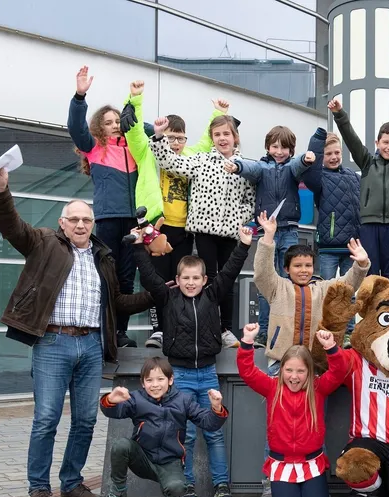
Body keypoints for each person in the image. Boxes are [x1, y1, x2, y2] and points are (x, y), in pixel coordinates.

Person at [0, 168, 152, 497]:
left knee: (85, 420)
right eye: (74, 219)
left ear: (93, 224)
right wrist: (1, 192)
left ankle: (72, 483)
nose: (81, 225)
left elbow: (118, 302)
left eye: (87, 220)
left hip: (91, 345)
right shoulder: (45, 242)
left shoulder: (102, 257)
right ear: (62, 223)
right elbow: (11, 227)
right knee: (47, 418)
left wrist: (156, 295)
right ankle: (38, 488)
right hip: (53, 342)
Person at [128, 222, 253, 497]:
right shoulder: (168, 297)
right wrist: (137, 247)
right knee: (185, 436)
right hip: (180, 376)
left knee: (214, 434)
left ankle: (222, 486)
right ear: (178, 278)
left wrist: (244, 244)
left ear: (205, 279)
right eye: (185, 278)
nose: (191, 283)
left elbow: (231, 269)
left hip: (207, 374)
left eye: (196, 277)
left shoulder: (212, 294)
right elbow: (148, 276)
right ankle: (187, 486)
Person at [253, 210, 370, 497]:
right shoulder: (276, 287)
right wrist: (268, 238)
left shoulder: (323, 289)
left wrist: (362, 265)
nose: (303, 270)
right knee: (276, 426)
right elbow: (262, 273)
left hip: (315, 368)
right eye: (297, 265)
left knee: (314, 425)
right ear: (287, 267)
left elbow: (347, 285)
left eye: (308, 265)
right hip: (281, 365)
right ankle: (272, 481)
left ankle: (315, 478)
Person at [122, 79, 233, 348]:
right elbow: (135, 134)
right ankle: (158, 329)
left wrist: (218, 113)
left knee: (181, 279)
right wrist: (135, 99)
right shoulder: (148, 153)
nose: (175, 143)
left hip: (184, 228)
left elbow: (209, 140)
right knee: (157, 279)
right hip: (156, 226)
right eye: (170, 137)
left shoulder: (192, 155)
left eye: (180, 138)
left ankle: (179, 325)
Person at [150, 110, 254, 349]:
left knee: (228, 280)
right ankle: (205, 324)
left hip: (230, 233)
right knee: (207, 280)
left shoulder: (245, 166)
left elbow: (251, 200)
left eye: (226, 133)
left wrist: (238, 219)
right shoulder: (201, 160)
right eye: (216, 134)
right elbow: (171, 162)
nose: (222, 138)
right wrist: (158, 137)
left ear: (235, 137)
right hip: (204, 231)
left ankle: (226, 328)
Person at [237, 324, 350, 497]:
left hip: (311, 461)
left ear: (309, 371)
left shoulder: (318, 387)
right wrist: (247, 341)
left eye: (301, 371)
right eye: (289, 370)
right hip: (282, 463)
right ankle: (296, 493)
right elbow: (247, 372)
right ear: (281, 370)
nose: (294, 377)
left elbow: (339, 371)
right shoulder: (272, 387)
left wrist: (331, 348)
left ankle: (313, 493)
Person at [94, 358, 228, 497]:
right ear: (143, 383)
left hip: (170, 462)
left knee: (178, 487)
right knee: (120, 446)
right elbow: (115, 412)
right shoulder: (136, 399)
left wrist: (216, 407)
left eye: (160, 379)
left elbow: (208, 422)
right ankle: (118, 491)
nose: (155, 385)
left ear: (170, 380)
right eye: (149, 380)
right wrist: (110, 400)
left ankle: (170, 495)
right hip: (143, 459)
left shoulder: (184, 400)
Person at [67, 66, 141, 348]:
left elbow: (145, 128)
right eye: (108, 122)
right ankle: (98, 328)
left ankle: (120, 333)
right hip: (109, 220)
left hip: (133, 222)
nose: (115, 125)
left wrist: (132, 108)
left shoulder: (134, 149)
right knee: (104, 276)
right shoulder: (95, 148)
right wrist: (79, 96)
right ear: (100, 126)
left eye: (117, 121)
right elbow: (75, 127)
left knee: (126, 279)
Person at [224, 127, 314, 347]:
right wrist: (236, 166)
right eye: (275, 146)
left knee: (291, 281)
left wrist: (306, 158)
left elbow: (298, 164)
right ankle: (264, 331)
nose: (279, 151)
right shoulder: (262, 168)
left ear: (291, 150)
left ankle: (292, 329)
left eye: (284, 147)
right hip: (267, 231)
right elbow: (249, 168)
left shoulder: (292, 169)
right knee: (265, 281)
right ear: (267, 147)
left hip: (290, 230)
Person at [328, 94, 389, 282]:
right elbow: (351, 140)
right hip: (368, 226)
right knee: (371, 276)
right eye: (385, 142)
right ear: (377, 143)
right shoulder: (367, 163)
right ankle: (372, 312)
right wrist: (339, 114)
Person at [302, 128, 361, 345]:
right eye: (328, 154)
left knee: (349, 292)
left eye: (337, 153)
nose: (334, 157)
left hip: (352, 246)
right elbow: (309, 170)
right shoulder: (319, 179)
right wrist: (318, 139)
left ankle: (349, 332)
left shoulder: (354, 178)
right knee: (327, 291)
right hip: (328, 246)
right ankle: (326, 330)